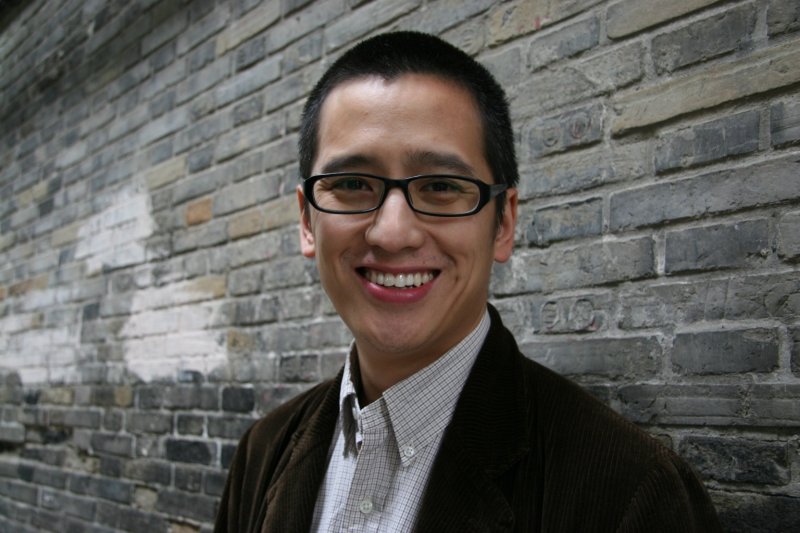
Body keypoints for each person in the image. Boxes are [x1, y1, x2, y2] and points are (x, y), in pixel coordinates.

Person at [214, 31, 722, 532]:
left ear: (503, 223)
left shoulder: (631, 492)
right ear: (307, 221)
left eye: (440, 186)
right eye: (351, 184)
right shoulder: (262, 453)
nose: (393, 233)